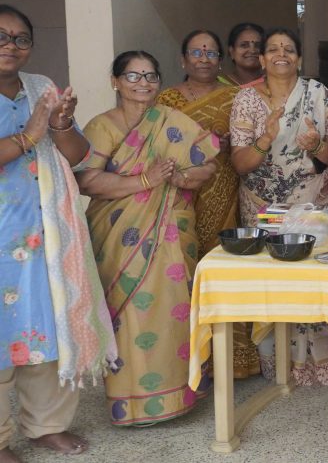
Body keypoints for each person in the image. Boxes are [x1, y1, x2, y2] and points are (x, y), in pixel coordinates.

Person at [77, 50, 219, 426]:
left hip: (171, 229)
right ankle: (130, 402)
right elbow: (86, 180)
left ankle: (180, 395)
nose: (143, 83)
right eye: (133, 76)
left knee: (173, 309)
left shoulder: (172, 121)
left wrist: (180, 178)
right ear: (116, 82)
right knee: (130, 317)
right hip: (118, 234)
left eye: (151, 76)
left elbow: (208, 163)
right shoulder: (101, 126)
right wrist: (144, 180)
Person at [0, 4, 116, 461]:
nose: (11, 45)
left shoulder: (40, 88)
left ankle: (46, 425)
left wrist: (62, 123)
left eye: (21, 38)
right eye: (2, 36)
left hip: (45, 229)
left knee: (47, 326)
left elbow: (76, 155)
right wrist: (29, 135)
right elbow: (28, 141)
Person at [229, 27, 328, 386]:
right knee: (273, 283)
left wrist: (313, 145)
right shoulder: (246, 100)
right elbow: (240, 163)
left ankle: (320, 362)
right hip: (264, 208)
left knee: (315, 282)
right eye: (274, 49)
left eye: (289, 48)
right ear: (262, 59)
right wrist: (264, 139)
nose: (282, 54)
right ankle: (279, 366)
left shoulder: (318, 93)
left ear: (298, 57)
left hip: (314, 203)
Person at [157, 29, 257, 380]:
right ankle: (188, 357)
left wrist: (229, 145)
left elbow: (251, 140)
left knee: (229, 265)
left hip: (227, 187)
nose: (203, 58)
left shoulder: (237, 97)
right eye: (196, 52)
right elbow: (158, 144)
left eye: (211, 53)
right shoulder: (167, 99)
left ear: (220, 59)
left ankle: (235, 357)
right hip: (180, 193)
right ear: (183, 59)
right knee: (186, 265)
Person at [218, 22, 264, 87]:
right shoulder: (219, 85)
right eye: (244, 45)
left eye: (258, 46)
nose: (252, 50)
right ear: (232, 51)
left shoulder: (273, 84)